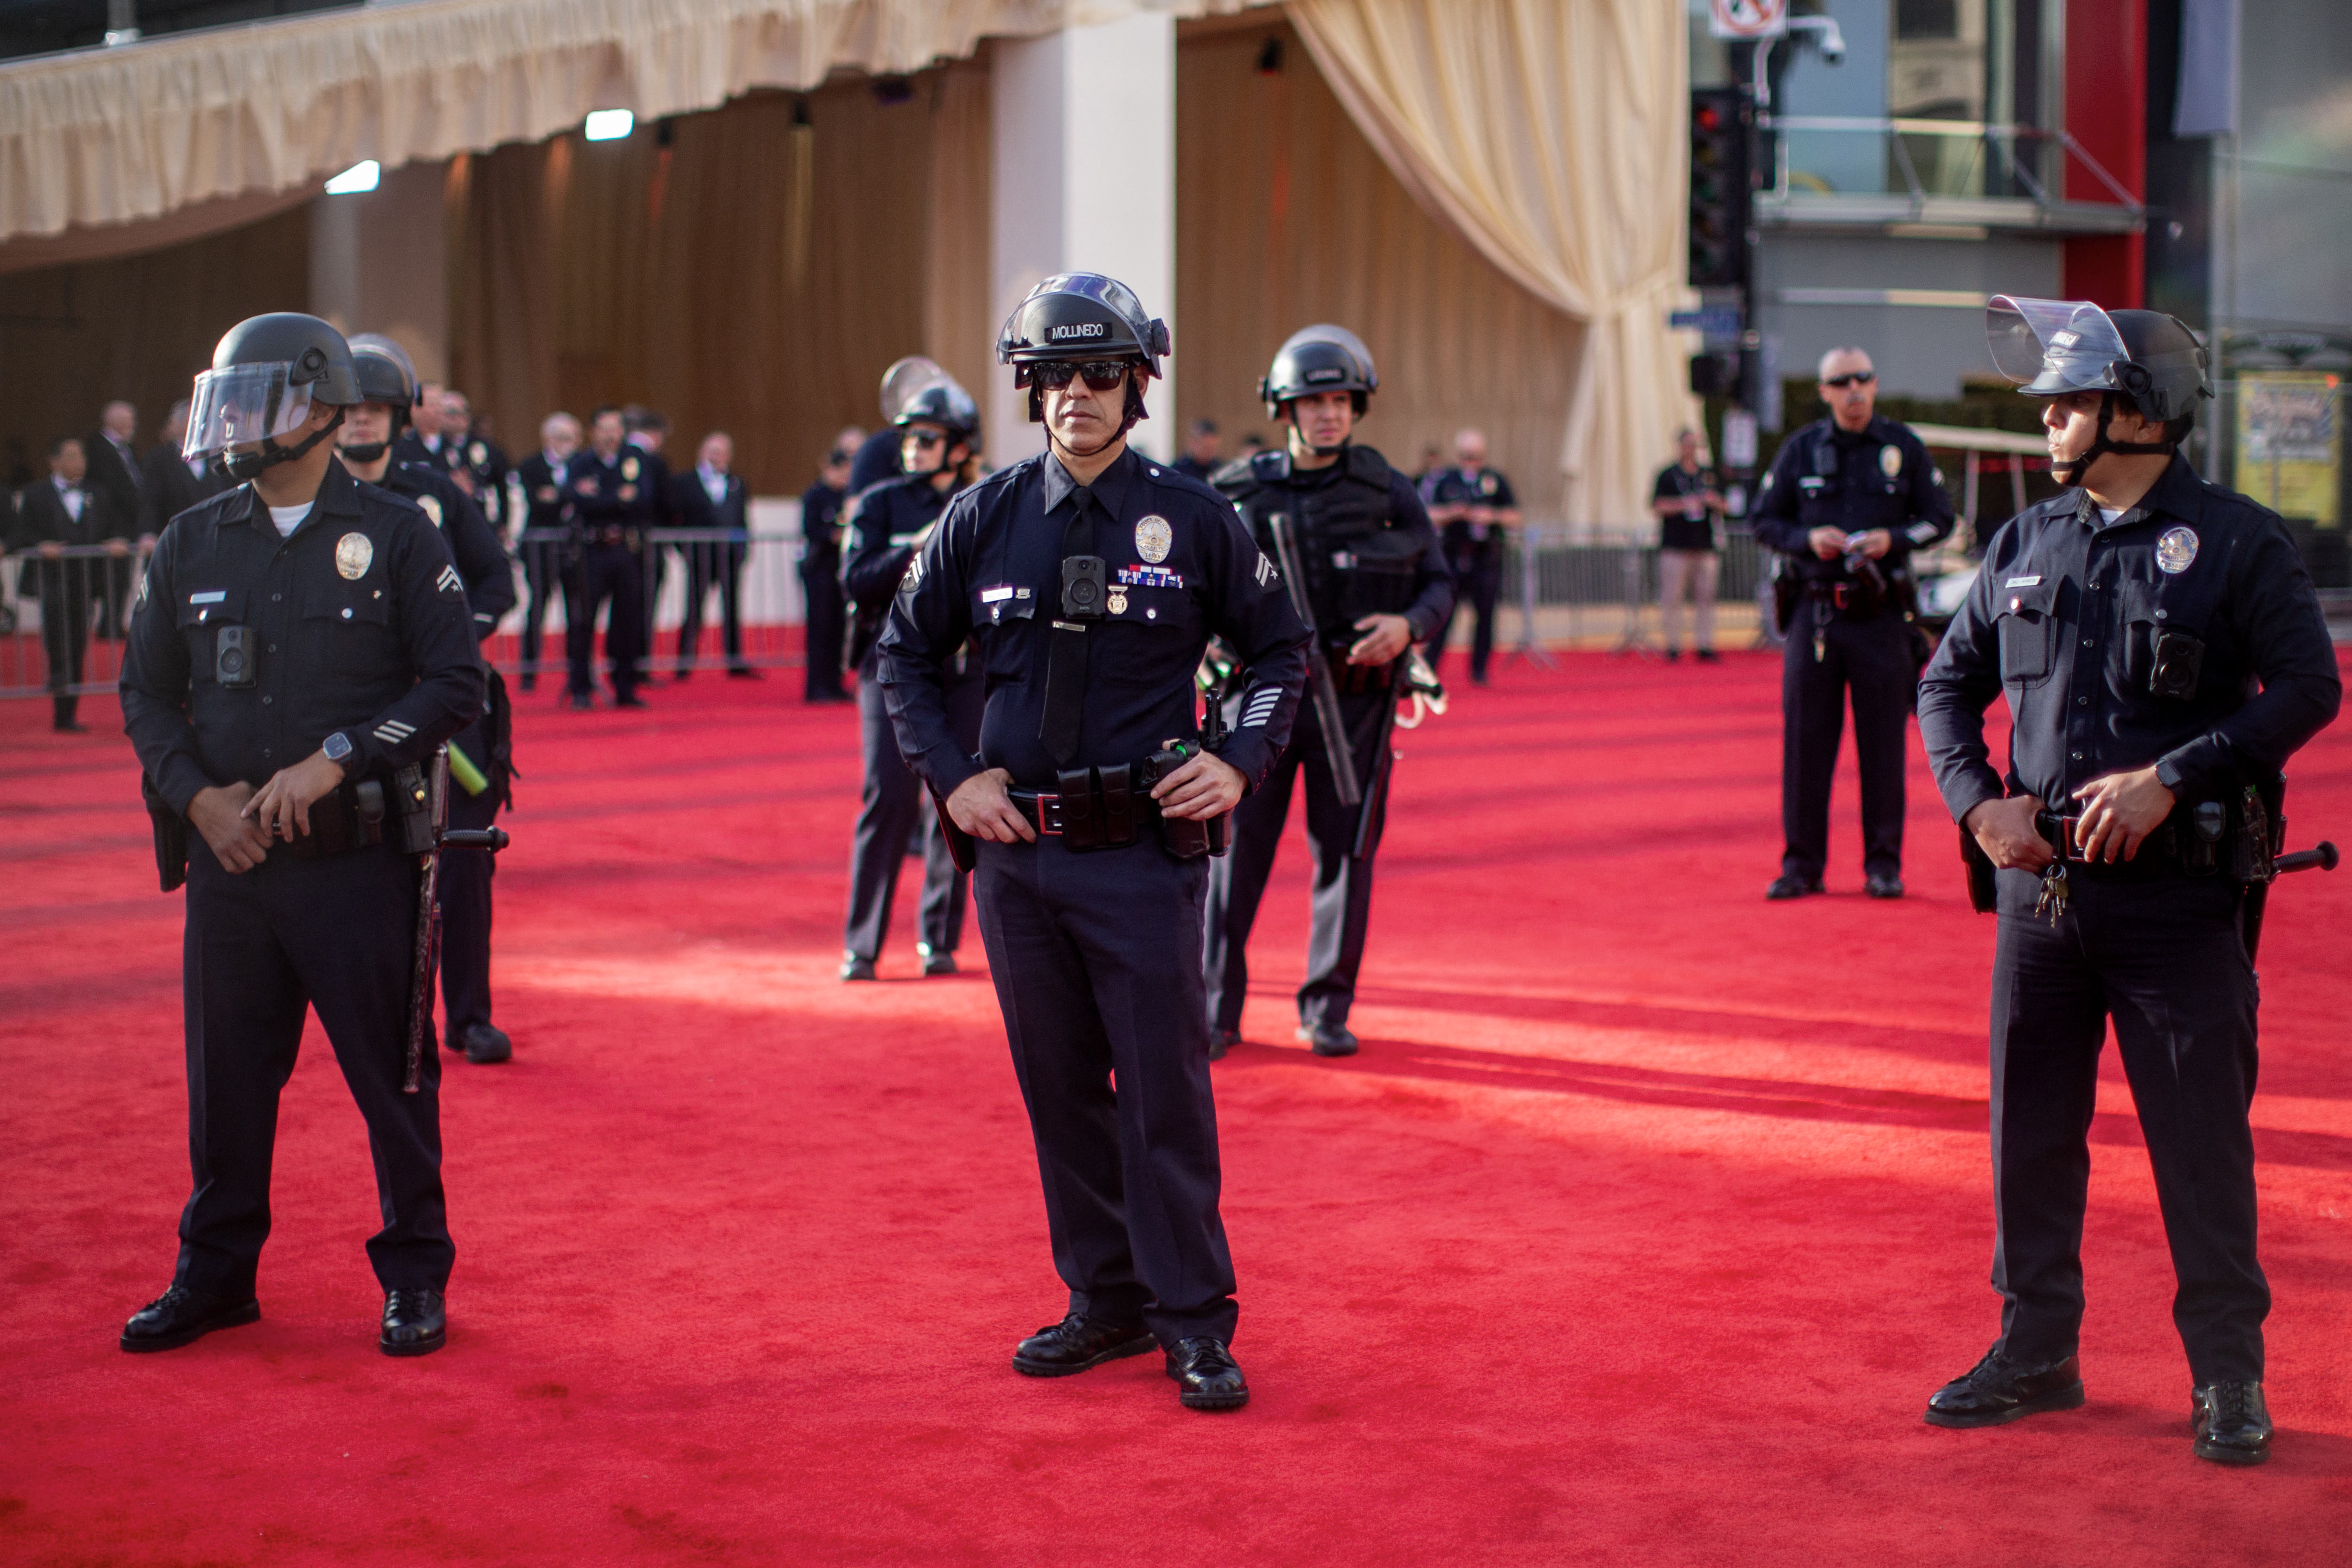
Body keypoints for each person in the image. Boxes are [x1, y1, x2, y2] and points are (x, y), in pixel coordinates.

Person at [1915, 297, 2341, 1467]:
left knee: (2202, 1146)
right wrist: (1975, 802)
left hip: (2178, 907)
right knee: (2030, 1135)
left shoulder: (2240, 540)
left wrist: (2171, 774)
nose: (2048, 418)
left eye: (2070, 399)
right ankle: (2037, 1349)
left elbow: (2309, 688)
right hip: (2041, 903)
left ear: (2140, 412)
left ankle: (2227, 1375)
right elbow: (1945, 688)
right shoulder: (2022, 541)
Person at [878, 272, 1311, 1412]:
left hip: (1141, 855)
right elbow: (903, 654)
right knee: (1060, 1089)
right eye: (1055, 374)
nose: (1077, 393)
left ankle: (1194, 1320)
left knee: (1166, 1092)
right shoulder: (981, 515)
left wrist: (1238, 757)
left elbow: (1280, 652)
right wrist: (953, 776)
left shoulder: (1197, 517)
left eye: (1101, 373)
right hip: (1018, 861)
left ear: (1138, 385)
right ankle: (1107, 1297)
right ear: (1030, 388)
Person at [116, 312, 481, 1358]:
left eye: (256, 398)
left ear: (320, 409)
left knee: (394, 1082)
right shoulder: (191, 538)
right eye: (224, 398)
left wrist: (342, 753)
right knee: (226, 1085)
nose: (232, 420)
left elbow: (456, 681)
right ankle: (217, 1274)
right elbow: (147, 692)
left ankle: (415, 1271)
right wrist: (197, 798)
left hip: (356, 864)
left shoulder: (401, 533)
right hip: (231, 868)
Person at [1205, 325, 1452, 1058]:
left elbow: (1440, 581)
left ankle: (1325, 1008)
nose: (1328, 413)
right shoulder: (1236, 492)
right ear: (1284, 407)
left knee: (1345, 857)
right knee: (1232, 860)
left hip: (1355, 706)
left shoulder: (1386, 489)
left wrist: (1409, 626)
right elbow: (1190, 591)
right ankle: (1215, 1012)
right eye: (1313, 400)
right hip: (1255, 704)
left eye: (1341, 399)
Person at [337, 334, 520, 1068]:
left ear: (400, 417)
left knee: (464, 867)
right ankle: (376, 1017)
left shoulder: (436, 492)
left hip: (448, 715)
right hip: (355, 721)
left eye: (376, 408)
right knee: (362, 872)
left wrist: (449, 651)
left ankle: (468, 1016)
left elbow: (495, 580)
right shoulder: (316, 499)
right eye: (349, 408)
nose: (360, 421)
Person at [1751, 346, 1954, 900]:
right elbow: (1762, 519)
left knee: (1883, 746)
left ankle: (1882, 865)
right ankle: (1801, 865)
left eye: (1862, 377)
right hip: (1813, 614)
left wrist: (1895, 538)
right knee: (1805, 746)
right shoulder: (1800, 450)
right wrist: (1804, 540)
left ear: (1874, 381)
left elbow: (1940, 516)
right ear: (1823, 391)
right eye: (1840, 381)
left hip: (1880, 615)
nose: (1854, 389)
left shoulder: (1900, 447)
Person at [838, 381, 985, 980]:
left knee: (957, 799)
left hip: (967, 668)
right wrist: (915, 551)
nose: (911, 448)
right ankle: (862, 945)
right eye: (907, 437)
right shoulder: (878, 503)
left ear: (957, 448)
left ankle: (938, 940)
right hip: (892, 668)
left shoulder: (983, 501)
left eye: (926, 438)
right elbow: (854, 579)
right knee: (886, 798)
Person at [10, 436, 127, 732]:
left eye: (82, 456)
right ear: (54, 461)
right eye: (72, 456)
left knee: (77, 642)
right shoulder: (36, 494)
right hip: (53, 582)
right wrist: (40, 546)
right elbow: (21, 534)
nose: (79, 462)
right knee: (58, 640)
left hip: (86, 582)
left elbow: (112, 526)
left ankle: (68, 711)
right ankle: (60, 695)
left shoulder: (97, 493)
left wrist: (114, 542)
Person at [564, 407, 650, 709]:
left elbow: (642, 498)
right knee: (584, 621)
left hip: (625, 550)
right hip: (593, 550)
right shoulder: (582, 462)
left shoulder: (633, 460)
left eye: (616, 428)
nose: (611, 435)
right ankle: (580, 687)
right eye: (605, 428)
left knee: (627, 621)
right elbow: (577, 500)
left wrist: (603, 497)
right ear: (593, 432)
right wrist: (616, 498)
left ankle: (625, 687)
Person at [1421, 430, 1519, 685]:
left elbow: (1515, 515)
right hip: (1453, 557)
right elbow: (1427, 514)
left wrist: (1492, 516)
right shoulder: (1446, 480)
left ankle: (1479, 670)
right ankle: (1430, 668)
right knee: (1443, 616)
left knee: (1485, 617)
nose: (1471, 461)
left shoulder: (1495, 480)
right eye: (1467, 456)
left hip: (1485, 558)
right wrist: (1453, 514)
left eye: (1476, 456)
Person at [673, 431, 755, 679]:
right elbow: (678, 520)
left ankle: (734, 660)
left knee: (732, 609)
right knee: (694, 609)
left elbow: (742, 520)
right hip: (699, 557)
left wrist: (742, 552)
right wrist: (685, 551)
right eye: (711, 451)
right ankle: (684, 662)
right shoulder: (685, 483)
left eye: (720, 452)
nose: (715, 457)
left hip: (729, 557)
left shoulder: (738, 483)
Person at [513, 413, 581, 692]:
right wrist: (571, 494)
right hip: (539, 549)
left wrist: (560, 495)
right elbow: (537, 502)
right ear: (548, 439)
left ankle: (576, 673)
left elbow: (585, 499)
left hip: (573, 547)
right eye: (562, 438)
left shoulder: (581, 463)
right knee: (537, 608)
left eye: (573, 439)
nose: (568, 444)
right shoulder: (531, 465)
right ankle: (529, 672)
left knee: (576, 611)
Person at [1652, 428, 1726, 663]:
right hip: (1675, 546)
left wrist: (1712, 502)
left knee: (1706, 597)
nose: (1690, 450)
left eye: (1694, 445)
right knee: (1672, 597)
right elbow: (1657, 505)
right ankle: (1673, 645)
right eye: (1686, 445)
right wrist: (1684, 504)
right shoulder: (1667, 475)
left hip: (1704, 545)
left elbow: (1726, 505)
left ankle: (1704, 644)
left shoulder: (1709, 475)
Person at [798, 431, 859, 704]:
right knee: (820, 631)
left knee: (838, 631)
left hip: (840, 572)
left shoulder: (846, 496)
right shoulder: (815, 495)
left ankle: (834, 683)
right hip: (819, 570)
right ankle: (817, 686)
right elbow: (811, 529)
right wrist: (833, 535)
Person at [85, 400, 144, 635]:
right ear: (115, 422)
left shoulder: (127, 449)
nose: (134, 426)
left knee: (122, 579)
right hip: (110, 528)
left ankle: (114, 622)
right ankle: (107, 625)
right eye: (130, 421)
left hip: (127, 527)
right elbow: (110, 489)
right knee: (109, 579)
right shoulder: (98, 448)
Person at [141, 400, 229, 537]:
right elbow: (150, 498)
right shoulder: (159, 458)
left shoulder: (217, 457)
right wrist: (148, 532)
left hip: (213, 534)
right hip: (174, 535)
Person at [436, 390, 511, 539]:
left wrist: (503, 522)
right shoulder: (434, 450)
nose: (460, 417)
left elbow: (504, 487)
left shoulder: (487, 449)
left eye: (465, 411)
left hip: (483, 526)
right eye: (452, 412)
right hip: (446, 529)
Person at [1171, 418, 1221, 482]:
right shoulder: (1178, 472)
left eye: (1212, 447)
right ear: (1193, 442)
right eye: (1205, 447)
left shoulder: (1220, 470)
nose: (1209, 452)